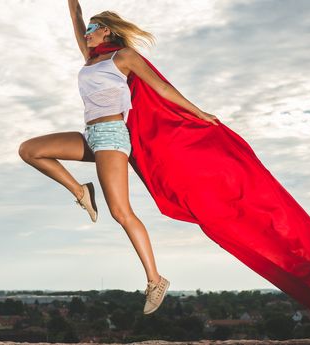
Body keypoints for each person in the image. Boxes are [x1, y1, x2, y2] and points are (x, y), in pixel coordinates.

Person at [18, 0, 218, 314]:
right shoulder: (90, 57)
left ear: (107, 30)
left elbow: (162, 87)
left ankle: (155, 279)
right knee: (30, 150)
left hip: (112, 136)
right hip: (90, 135)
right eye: (87, 31)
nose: (86, 34)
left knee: (121, 212)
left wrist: (199, 112)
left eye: (93, 30)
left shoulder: (123, 57)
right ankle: (81, 191)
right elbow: (75, 14)